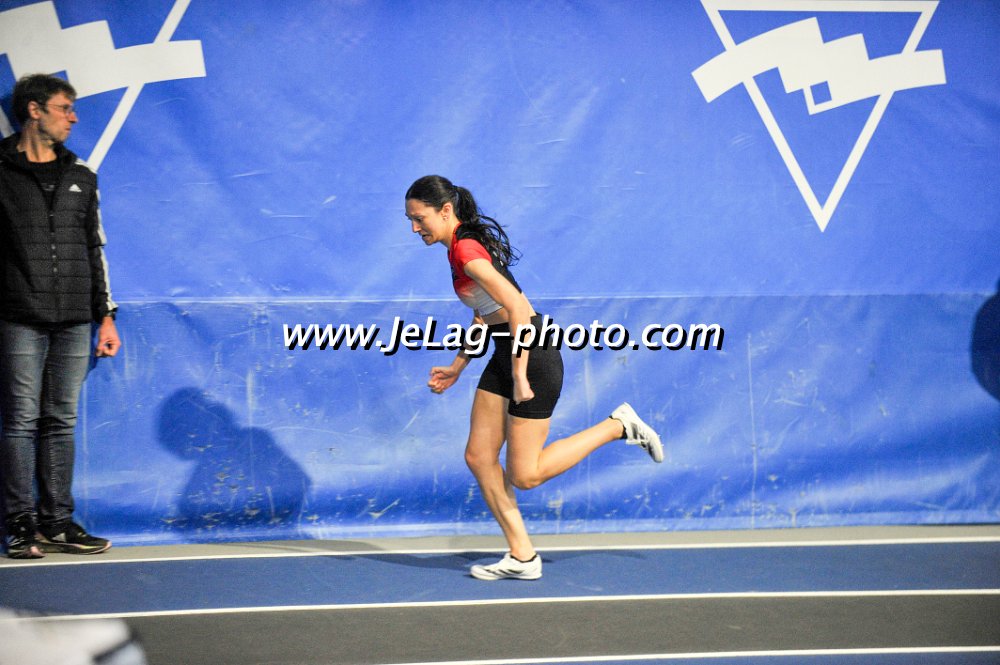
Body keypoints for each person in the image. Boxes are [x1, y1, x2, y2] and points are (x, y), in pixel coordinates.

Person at [405, 175, 663, 581]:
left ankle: (619, 425)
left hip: (533, 356)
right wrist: (458, 365)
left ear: (445, 210)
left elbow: (518, 308)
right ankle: (523, 556)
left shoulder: (467, 250)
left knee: (524, 475)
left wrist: (520, 373)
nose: (414, 228)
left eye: (419, 218)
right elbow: (485, 313)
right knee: (478, 457)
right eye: (410, 220)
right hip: (504, 352)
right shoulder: (460, 249)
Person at [0, 74, 121, 559]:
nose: (73, 118)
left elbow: (95, 249)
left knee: (60, 421)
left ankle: (57, 522)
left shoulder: (81, 175)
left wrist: (105, 317)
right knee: (21, 421)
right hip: (18, 315)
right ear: (34, 111)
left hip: (75, 319)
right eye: (64, 108)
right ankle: (20, 525)